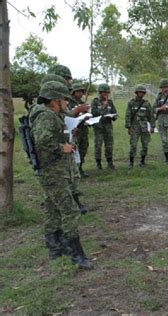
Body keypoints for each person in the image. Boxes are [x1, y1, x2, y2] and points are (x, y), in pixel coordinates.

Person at [29, 81, 92, 269]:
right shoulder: (45, 116)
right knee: (70, 210)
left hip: (54, 169)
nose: (66, 101)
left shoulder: (52, 114)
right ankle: (77, 254)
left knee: (52, 207)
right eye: (64, 98)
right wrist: (62, 147)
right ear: (54, 100)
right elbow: (42, 140)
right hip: (52, 171)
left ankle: (55, 246)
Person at [125, 85, 155, 168]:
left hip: (145, 127)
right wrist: (128, 127)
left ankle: (142, 161)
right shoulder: (131, 103)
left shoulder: (147, 104)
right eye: (139, 92)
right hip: (134, 127)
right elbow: (128, 115)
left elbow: (151, 116)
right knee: (133, 145)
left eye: (142, 92)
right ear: (136, 93)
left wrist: (152, 126)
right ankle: (131, 163)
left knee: (145, 144)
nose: (141, 94)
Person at [91, 83, 117, 170]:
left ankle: (110, 162)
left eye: (107, 92)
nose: (106, 94)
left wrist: (114, 116)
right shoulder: (95, 101)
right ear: (100, 92)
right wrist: (103, 107)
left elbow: (114, 112)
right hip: (99, 127)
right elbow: (93, 113)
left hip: (108, 126)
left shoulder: (110, 102)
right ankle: (98, 163)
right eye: (104, 92)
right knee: (98, 145)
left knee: (109, 145)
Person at [68, 83, 90, 177]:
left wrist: (87, 116)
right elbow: (68, 116)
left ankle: (80, 167)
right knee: (74, 149)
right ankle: (74, 169)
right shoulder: (69, 103)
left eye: (82, 91)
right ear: (73, 92)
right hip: (74, 129)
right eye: (78, 91)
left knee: (83, 148)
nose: (80, 93)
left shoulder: (82, 102)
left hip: (83, 128)